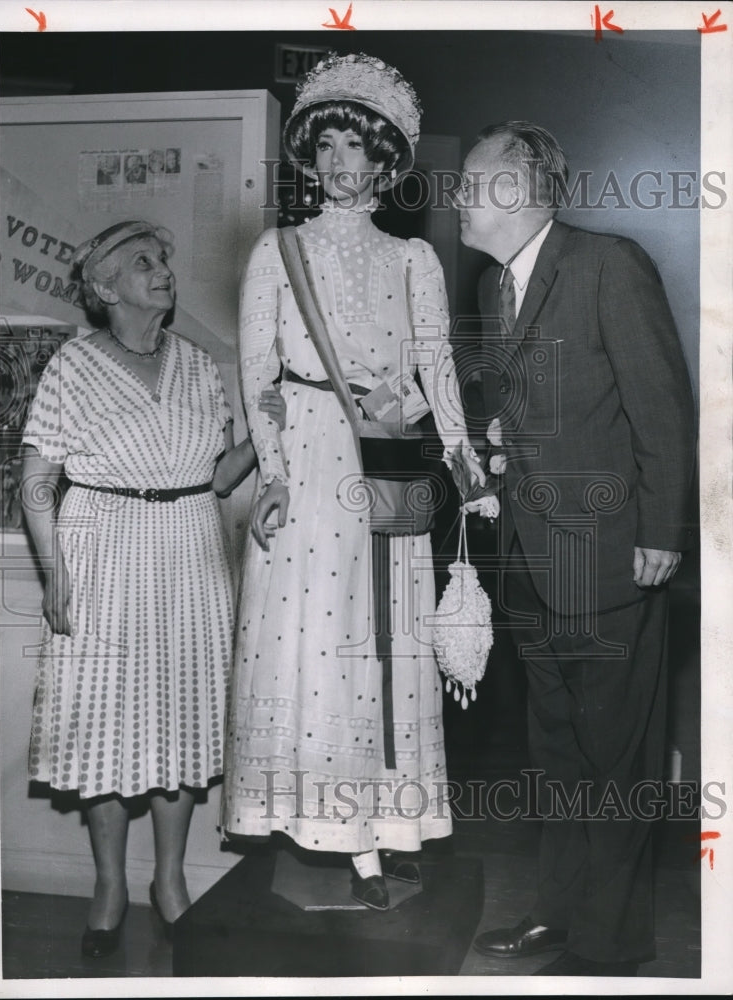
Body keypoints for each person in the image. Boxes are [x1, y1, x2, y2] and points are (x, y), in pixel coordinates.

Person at [220, 52, 488, 910]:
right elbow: (256, 367)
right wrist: (272, 472)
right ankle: (332, 832)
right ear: (311, 156)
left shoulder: (413, 260)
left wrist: (454, 449)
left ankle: (383, 828)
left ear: (383, 162)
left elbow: (437, 367)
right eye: (326, 143)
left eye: (355, 146)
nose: (339, 161)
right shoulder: (279, 249)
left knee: (384, 644)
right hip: (304, 464)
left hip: (385, 460)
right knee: (312, 650)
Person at [454, 122, 697, 975]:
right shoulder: (495, 290)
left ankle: (611, 945)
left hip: (609, 560)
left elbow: (662, 406)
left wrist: (664, 533)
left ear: (517, 189)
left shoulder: (608, 264)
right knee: (556, 752)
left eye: (471, 182)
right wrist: (500, 433)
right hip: (530, 564)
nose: (455, 198)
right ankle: (556, 917)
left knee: (616, 757)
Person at [21, 219, 285, 958]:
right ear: (104, 290)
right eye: (142, 263)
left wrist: (264, 435)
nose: (161, 270)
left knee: (181, 723)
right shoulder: (71, 369)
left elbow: (218, 477)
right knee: (105, 726)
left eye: (163, 261)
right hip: (103, 552)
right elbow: (37, 480)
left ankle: (170, 881)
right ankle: (109, 886)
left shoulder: (201, 366)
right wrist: (54, 572)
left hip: (190, 554)